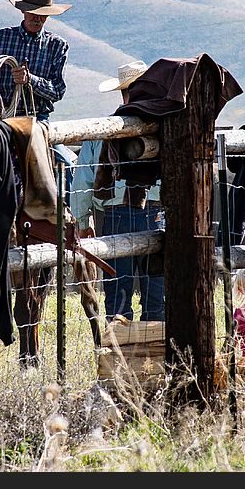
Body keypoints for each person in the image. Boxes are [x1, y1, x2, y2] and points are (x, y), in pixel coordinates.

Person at [70, 61, 165, 321]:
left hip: (116, 215)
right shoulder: (163, 126)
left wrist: (80, 221)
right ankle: (156, 354)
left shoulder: (104, 130)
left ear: (123, 94)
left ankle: (120, 355)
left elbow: (82, 182)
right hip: (156, 213)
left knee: (118, 292)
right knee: (157, 291)